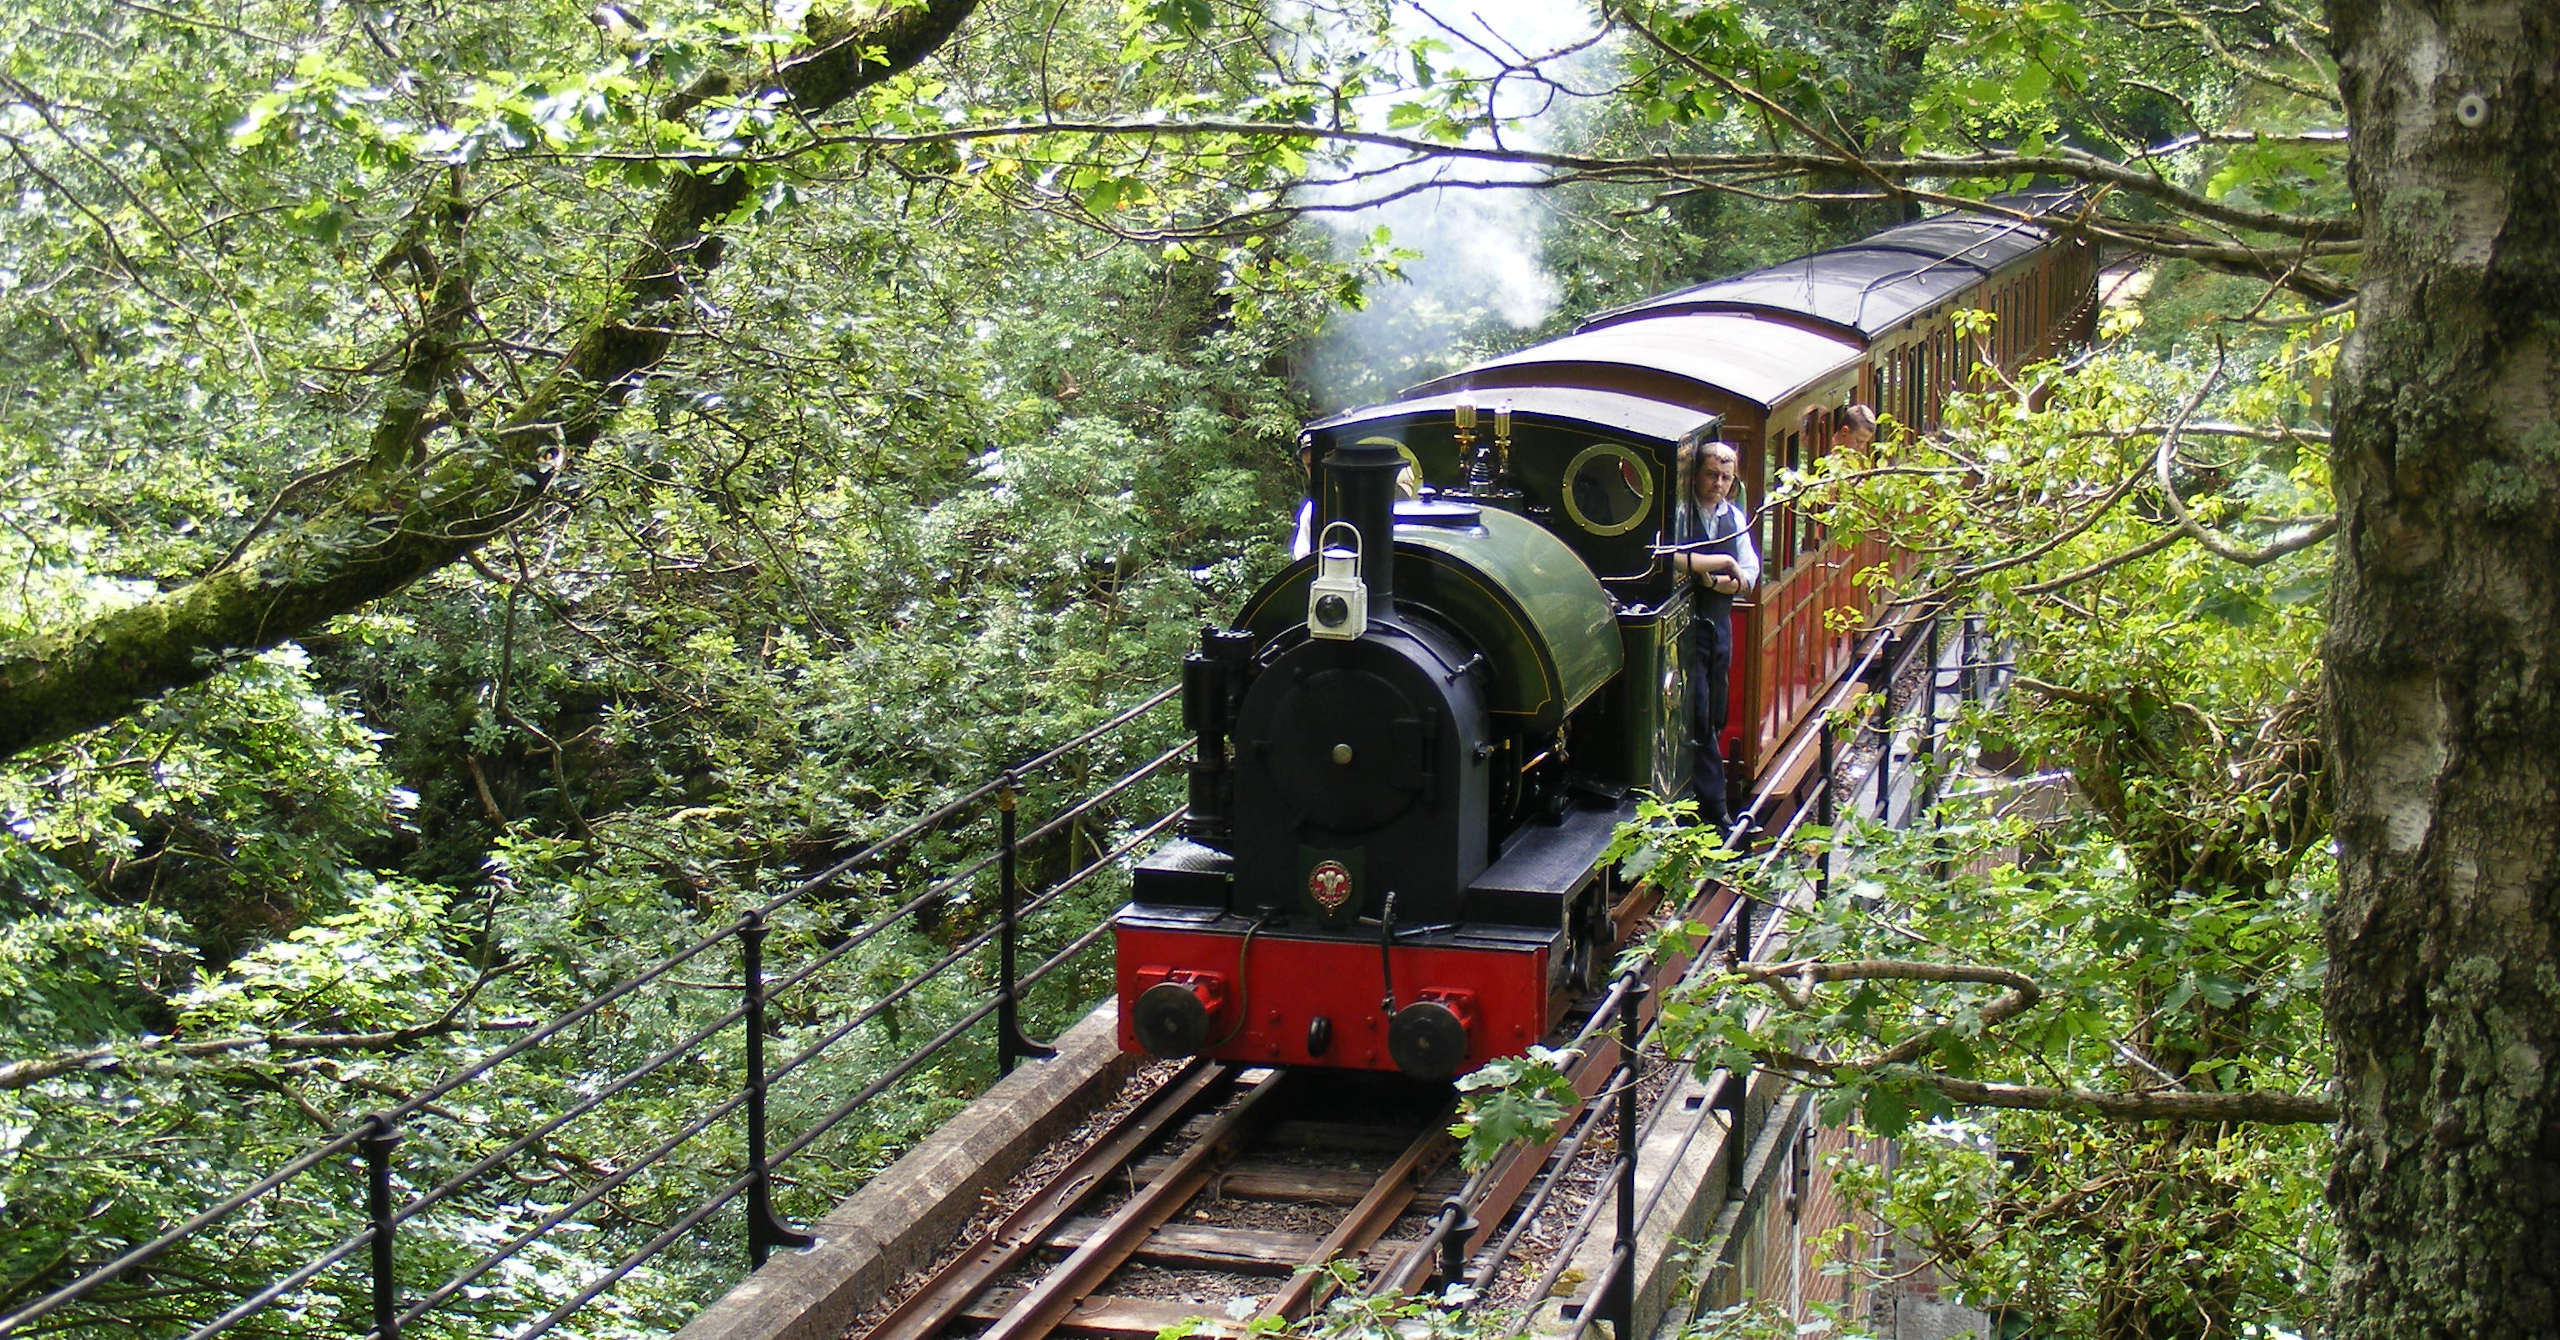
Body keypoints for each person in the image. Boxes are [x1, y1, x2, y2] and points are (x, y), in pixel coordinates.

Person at [1672, 437, 1760, 831]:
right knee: (1699, 711)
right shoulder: (1677, 514)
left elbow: (1751, 573)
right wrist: (1719, 563)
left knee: (1716, 709)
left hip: (1719, 626)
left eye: (1726, 476)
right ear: (1697, 474)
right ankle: (1713, 807)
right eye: (1712, 474)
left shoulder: (1735, 518)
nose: (1718, 483)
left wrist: (1730, 584)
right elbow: (1669, 559)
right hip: (1685, 629)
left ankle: (1706, 801)